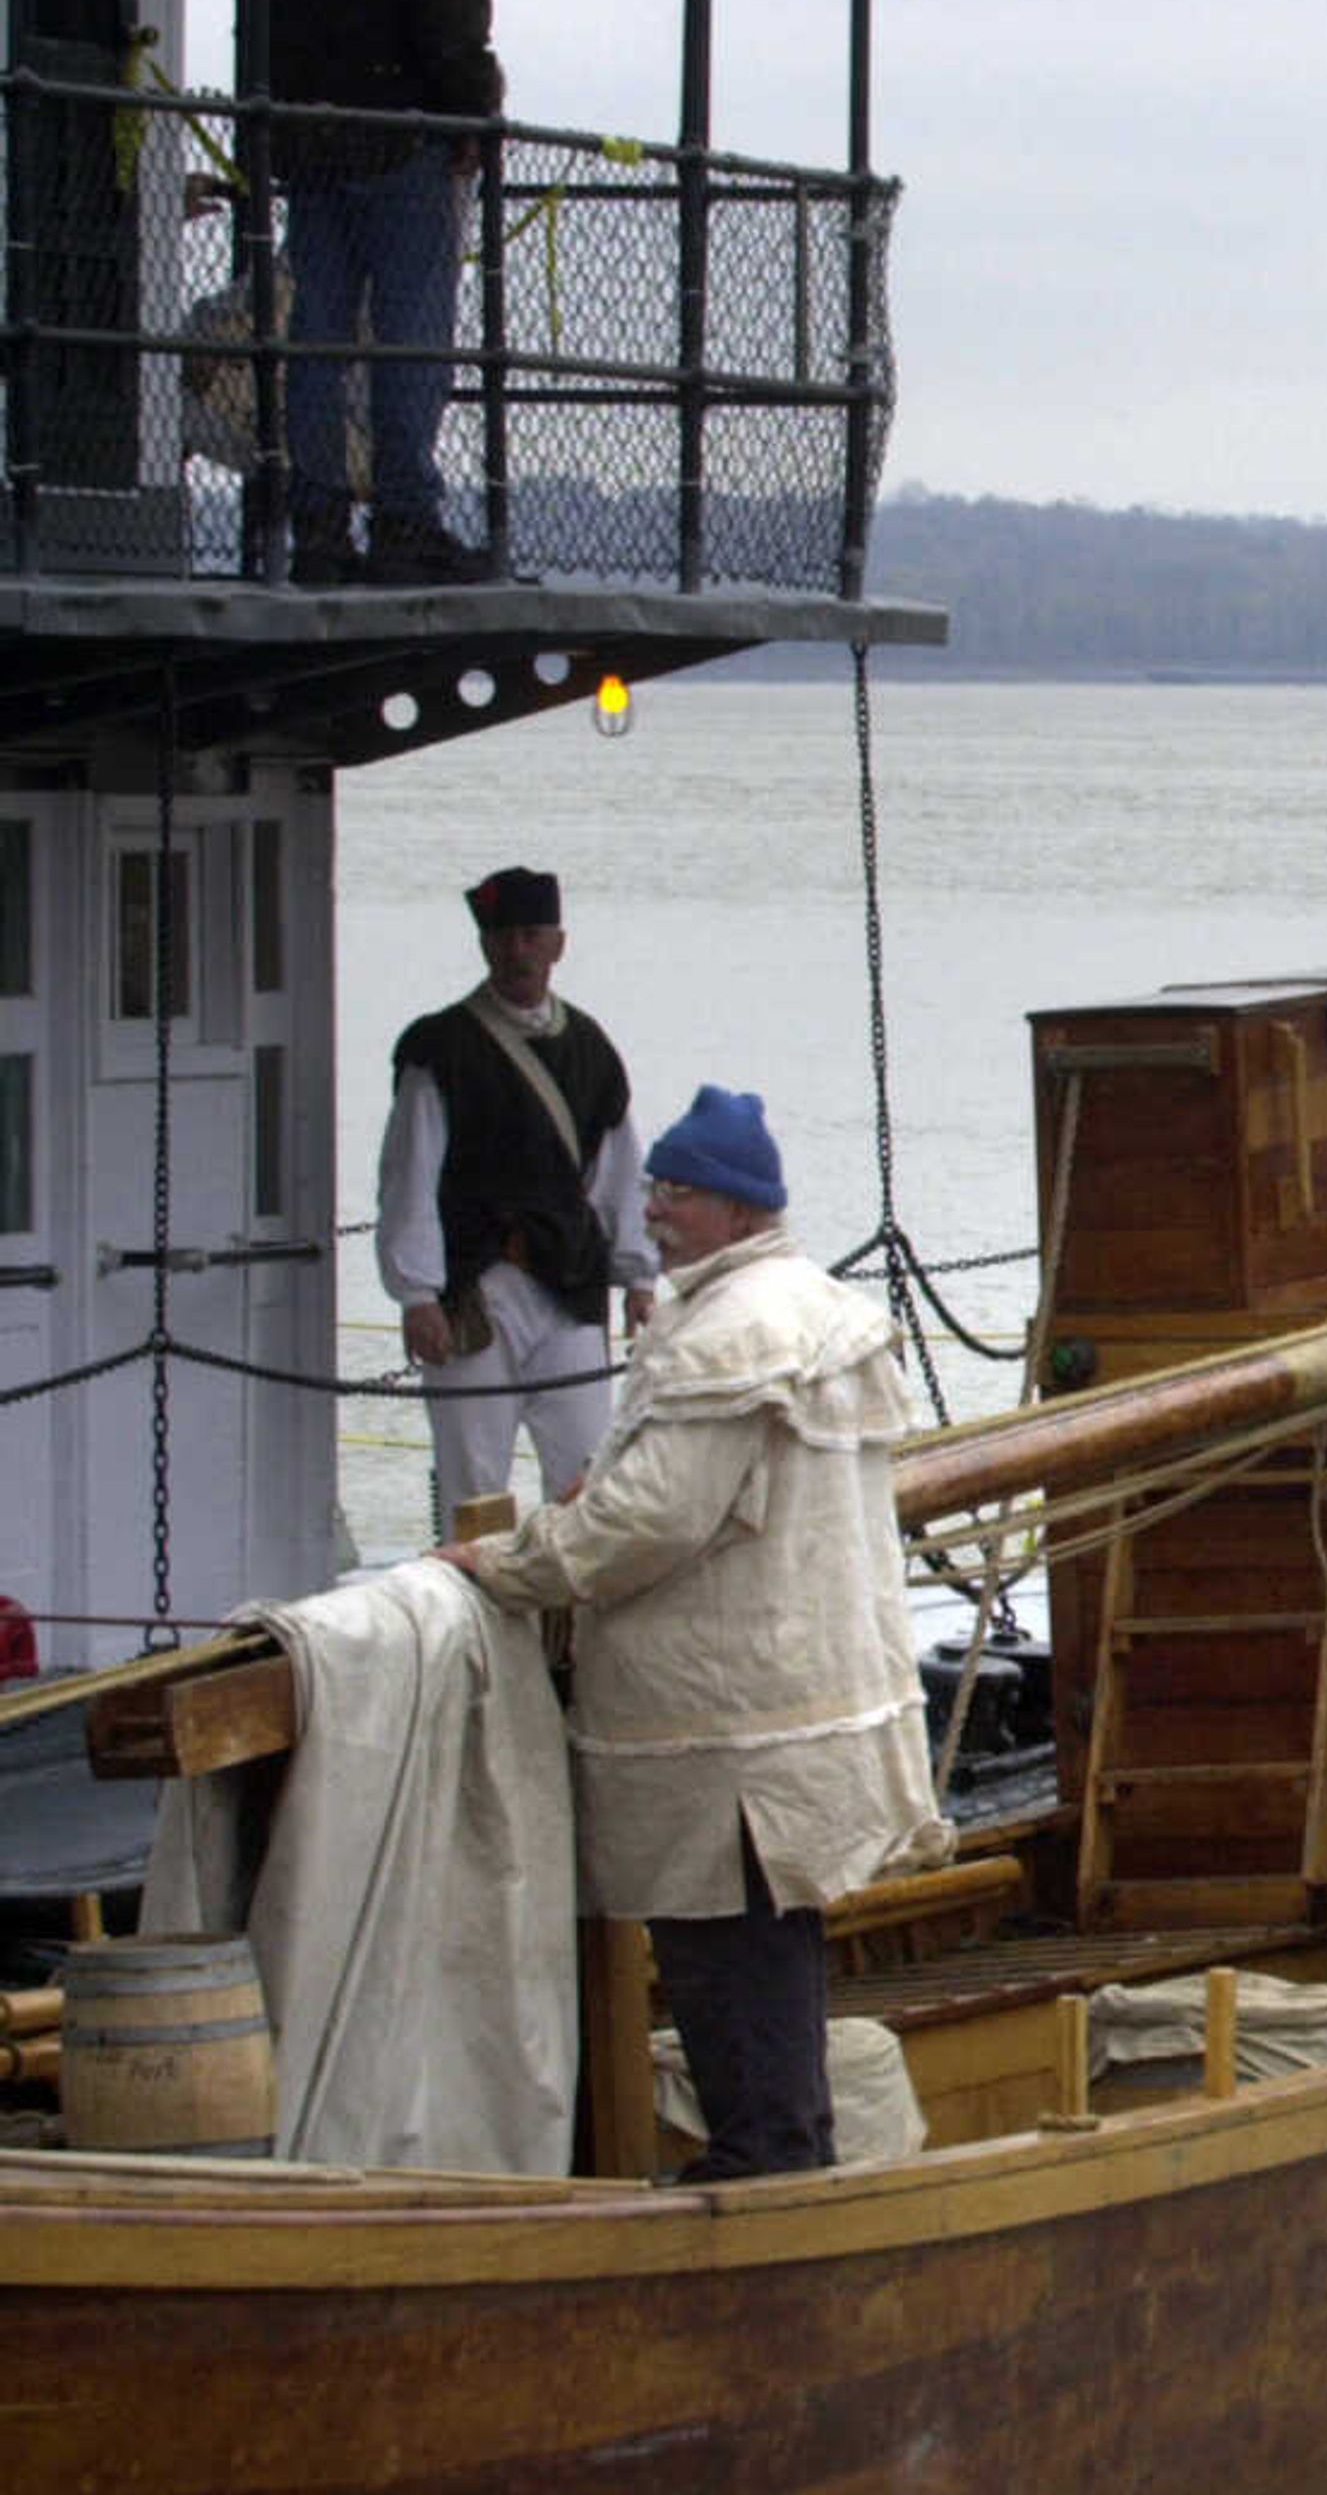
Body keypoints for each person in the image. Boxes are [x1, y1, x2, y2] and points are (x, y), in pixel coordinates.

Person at [434, 1087, 946, 2181]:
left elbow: (650, 1523)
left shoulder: (730, 1331)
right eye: (656, 1187)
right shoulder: (810, 1305)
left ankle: (762, 2181)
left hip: (722, 1739)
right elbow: (684, 1489)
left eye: (677, 1192)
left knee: (730, 1963)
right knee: (773, 1962)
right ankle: (783, 2160)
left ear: (738, 1207)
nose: (654, 1210)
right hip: (786, 1719)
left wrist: (508, 1565)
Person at [377, 866, 657, 1522]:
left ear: (558, 944)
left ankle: (577, 1623)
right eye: (503, 937)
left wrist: (639, 1276)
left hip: (569, 1286)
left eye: (532, 935)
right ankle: (478, 1620)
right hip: (476, 1290)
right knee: (475, 1486)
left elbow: (620, 1167)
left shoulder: (590, 1048)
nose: (517, 951)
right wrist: (417, 1294)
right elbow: (409, 1177)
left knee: (589, 1475)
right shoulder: (439, 1048)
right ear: (485, 946)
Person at [269, 0, 501, 585]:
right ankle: (405, 523)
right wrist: (476, 108)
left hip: (311, 138)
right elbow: (447, 18)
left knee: (317, 337)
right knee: (411, 338)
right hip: (405, 135)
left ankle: (318, 527)